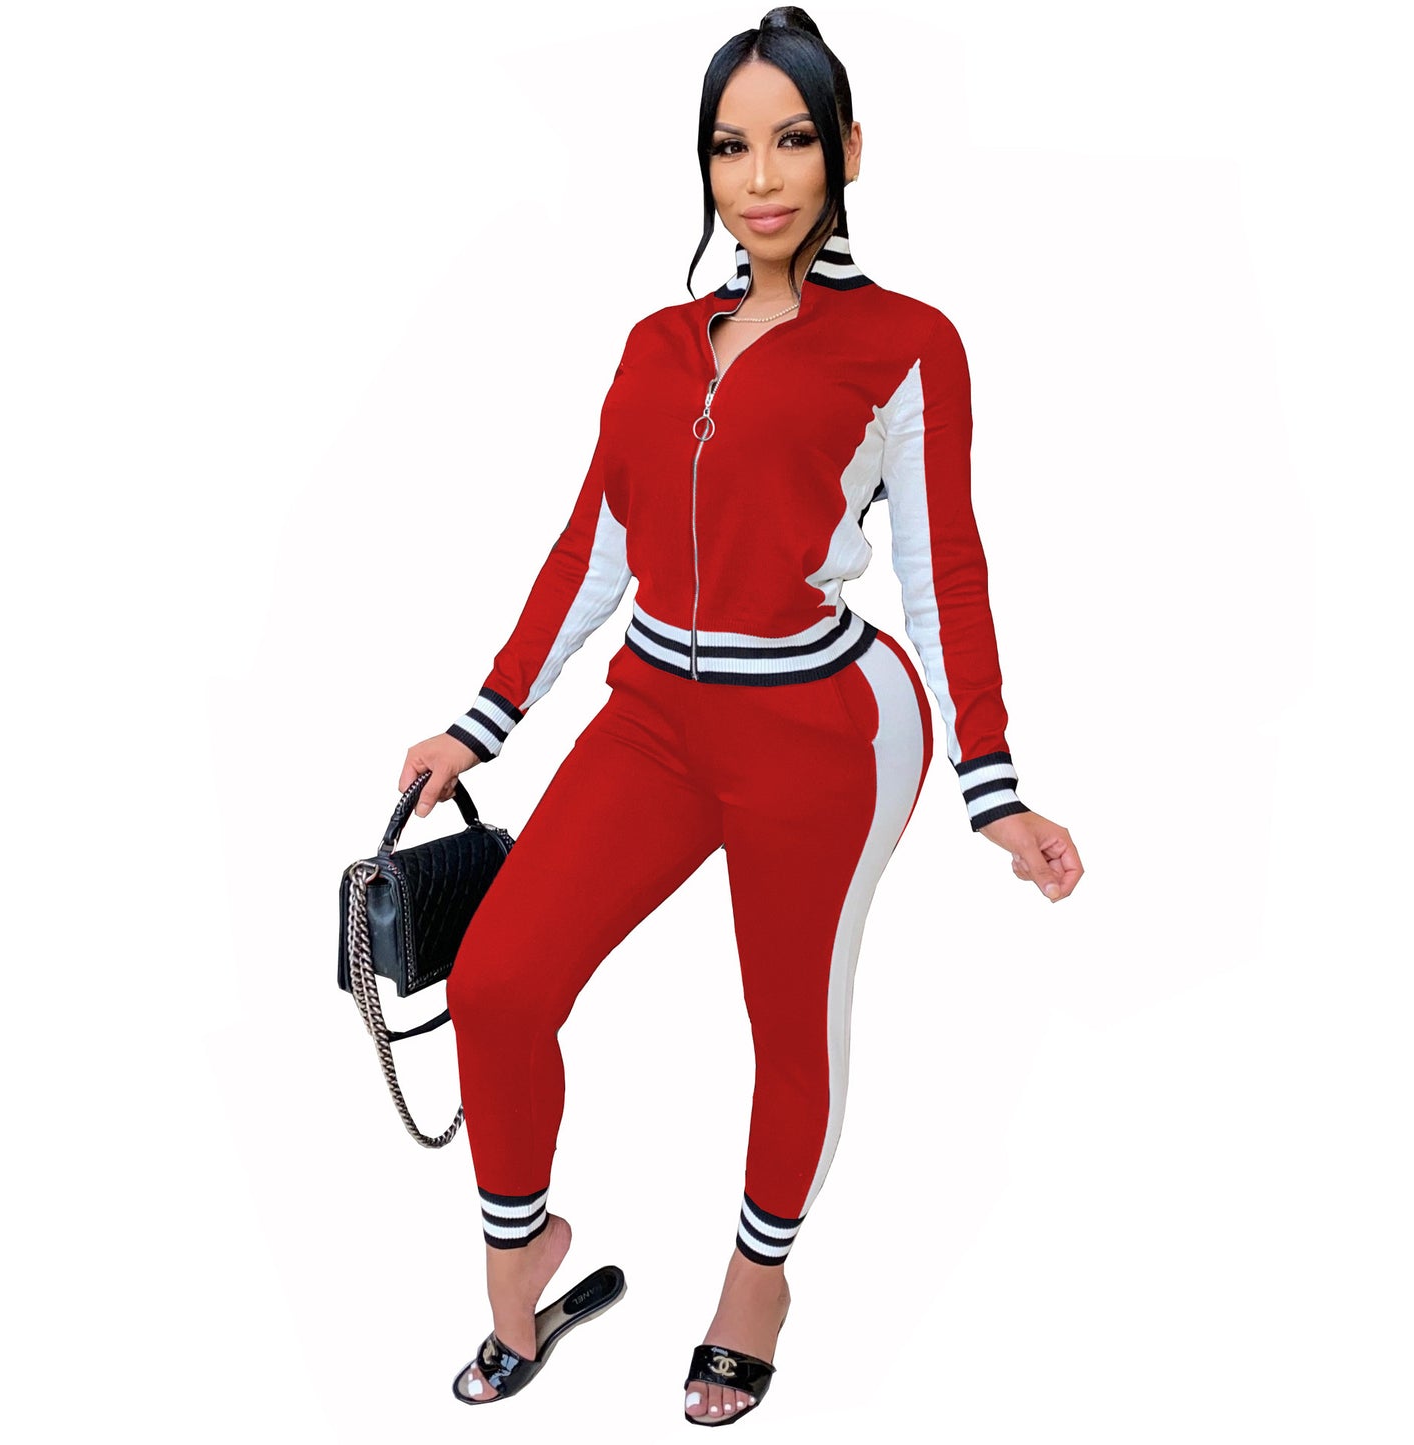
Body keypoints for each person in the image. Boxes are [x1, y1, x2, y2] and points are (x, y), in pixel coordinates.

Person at [399, 6, 1083, 1425]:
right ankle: (521, 1242)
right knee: (502, 981)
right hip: (654, 718)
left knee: (788, 1022)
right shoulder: (656, 342)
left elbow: (941, 569)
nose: (759, 178)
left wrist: (993, 783)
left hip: (825, 735)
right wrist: (481, 722)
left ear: (846, 153)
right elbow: (592, 549)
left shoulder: (904, 344)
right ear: (703, 162)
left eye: (791, 141)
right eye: (729, 146)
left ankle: (756, 1280)